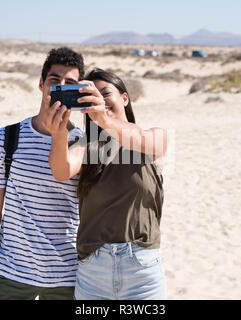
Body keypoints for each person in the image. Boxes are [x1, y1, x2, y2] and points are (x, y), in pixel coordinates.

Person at [40, 68, 168, 300]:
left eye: (105, 93)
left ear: (125, 98)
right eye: (91, 95)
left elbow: (153, 145)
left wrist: (104, 119)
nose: (99, 100)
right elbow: (61, 171)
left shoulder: (153, 135)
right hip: (93, 271)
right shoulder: (86, 145)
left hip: (141, 269)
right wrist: (58, 133)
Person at [0, 47, 85, 300]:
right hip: (11, 276)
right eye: (54, 81)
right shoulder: (5, 138)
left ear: (78, 92)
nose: (60, 88)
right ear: (41, 84)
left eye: (70, 84)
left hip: (68, 279)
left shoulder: (85, 144)